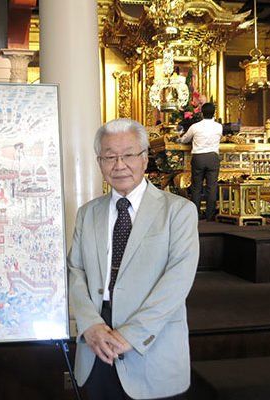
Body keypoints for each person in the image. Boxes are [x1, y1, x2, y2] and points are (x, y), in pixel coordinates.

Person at [68, 118, 199, 400]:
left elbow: (178, 280)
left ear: (144, 158)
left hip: (153, 343)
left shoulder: (178, 211)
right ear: (99, 161)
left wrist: (131, 334)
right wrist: (89, 324)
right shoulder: (87, 213)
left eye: (128, 154)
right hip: (96, 342)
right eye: (109, 157)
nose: (119, 165)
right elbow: (75, 271)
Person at [176, 103, 222, 221]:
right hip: (212, 157)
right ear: (214, 114)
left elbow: (185, 139)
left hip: (198, 158)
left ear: (201, 113)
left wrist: (179, 139)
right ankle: (210, 216)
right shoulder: (218, 127)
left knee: (197, 187)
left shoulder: (195, 126)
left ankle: (195, 215)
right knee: (212, 187)